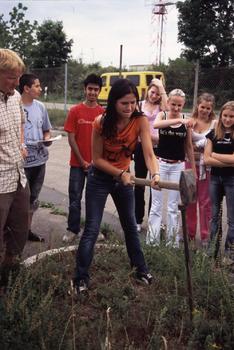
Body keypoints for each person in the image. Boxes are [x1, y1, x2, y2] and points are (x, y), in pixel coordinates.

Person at [72, 78, 160, 293]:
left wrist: (155, 173)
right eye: (124, 103)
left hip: (124, 180)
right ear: (113, 103)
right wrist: (120, 173)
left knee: (130, 226)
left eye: (133, 102)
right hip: (99, 179)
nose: (130, 108)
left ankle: (140, 269)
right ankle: (80, 278)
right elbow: (97, 159)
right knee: (92, 229)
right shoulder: (101, 122)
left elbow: (148, 153)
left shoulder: (139, 121)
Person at [148, 89, 196, 246]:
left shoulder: (186, 121)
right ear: (168, 103)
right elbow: (156, 124)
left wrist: (193, 170)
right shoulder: (163, 115)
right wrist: (179, 121)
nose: (176, 108)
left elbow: (188, 146)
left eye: (179, 105)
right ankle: (152, 241)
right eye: (173, 104)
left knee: (173, 206)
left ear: (183, 105)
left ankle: (172, 243)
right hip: (160, 163)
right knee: (156, 204)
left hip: (178, 165)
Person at [0, 49, 30, 292]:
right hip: (0, 182)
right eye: (12, 77)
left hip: (19, 177)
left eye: (19, 77)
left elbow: (20, 122)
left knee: (20, 230)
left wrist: (21, 145)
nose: (17, 82)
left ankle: (10, 279)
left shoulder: (16, 97)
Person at [63, 74, 104, 243]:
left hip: (97, 165)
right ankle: (73, 229)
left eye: (96, 89)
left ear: (99, 91)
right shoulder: (75, 111)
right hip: (77, 164)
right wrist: (82, 161)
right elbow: (71, 138)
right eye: (90, 89)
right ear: (85, 89)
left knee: (95, 200)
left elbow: (105, 139)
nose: (92, 92)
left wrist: (96, 161)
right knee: (75, 198)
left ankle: (93, 230)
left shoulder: (103, 113)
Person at [19, 73, 52, 242]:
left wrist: (47, 139)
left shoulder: (40, 107)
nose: (40, 89)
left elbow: (46, 129)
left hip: (40, 161)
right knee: (18, 201)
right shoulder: (15, 106)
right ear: (26, 88)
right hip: (21, 164)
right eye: (37, 86)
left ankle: (27, 231)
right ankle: (13, 233)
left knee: (33, 199)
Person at [134, 78, 167, 232]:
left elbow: (167, 107)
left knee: (155, 184)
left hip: (158, 148)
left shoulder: (162, 108)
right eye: (152, 92)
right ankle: (137, 219)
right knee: (140, 184)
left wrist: (161, 87)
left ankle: (153, 220)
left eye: (157, 93)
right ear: (148, 91)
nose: (154, 95)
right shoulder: (139, 105)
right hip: (141, 148)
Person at [204, 101, 234, 259]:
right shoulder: (213, 134)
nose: (228, 119)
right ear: (221, 115)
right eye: (225, 116)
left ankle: (230, 253)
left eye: (231, 116)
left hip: (231, 179)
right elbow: (206, 160)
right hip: (215, 178)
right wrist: (227, 160)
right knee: (214, 216)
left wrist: (215, 155)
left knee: (232, 218)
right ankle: (212, 249)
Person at [185, 93, 216, 245]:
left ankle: (205, 235)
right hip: (189, 165)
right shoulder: (190, 122)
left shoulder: (215, 124)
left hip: (206, 168)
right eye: (202, 107)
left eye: (208, 108)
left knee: (205, 202)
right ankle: (190, 233)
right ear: (197, 106)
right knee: (190, 200)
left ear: (212, 109)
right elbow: (185, 144)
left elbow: (214, 144)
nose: (204, 110)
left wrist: (200, 148)